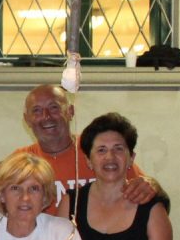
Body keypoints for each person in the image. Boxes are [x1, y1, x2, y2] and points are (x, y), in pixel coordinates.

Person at [10, 84, 156, 211]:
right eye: (36, 110)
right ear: (27, 119)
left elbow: (146, 186)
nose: (46, 116)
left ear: (70, 111)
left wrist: (151, 185)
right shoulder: (20, 161)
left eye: (54, 108)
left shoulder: (97, 150)